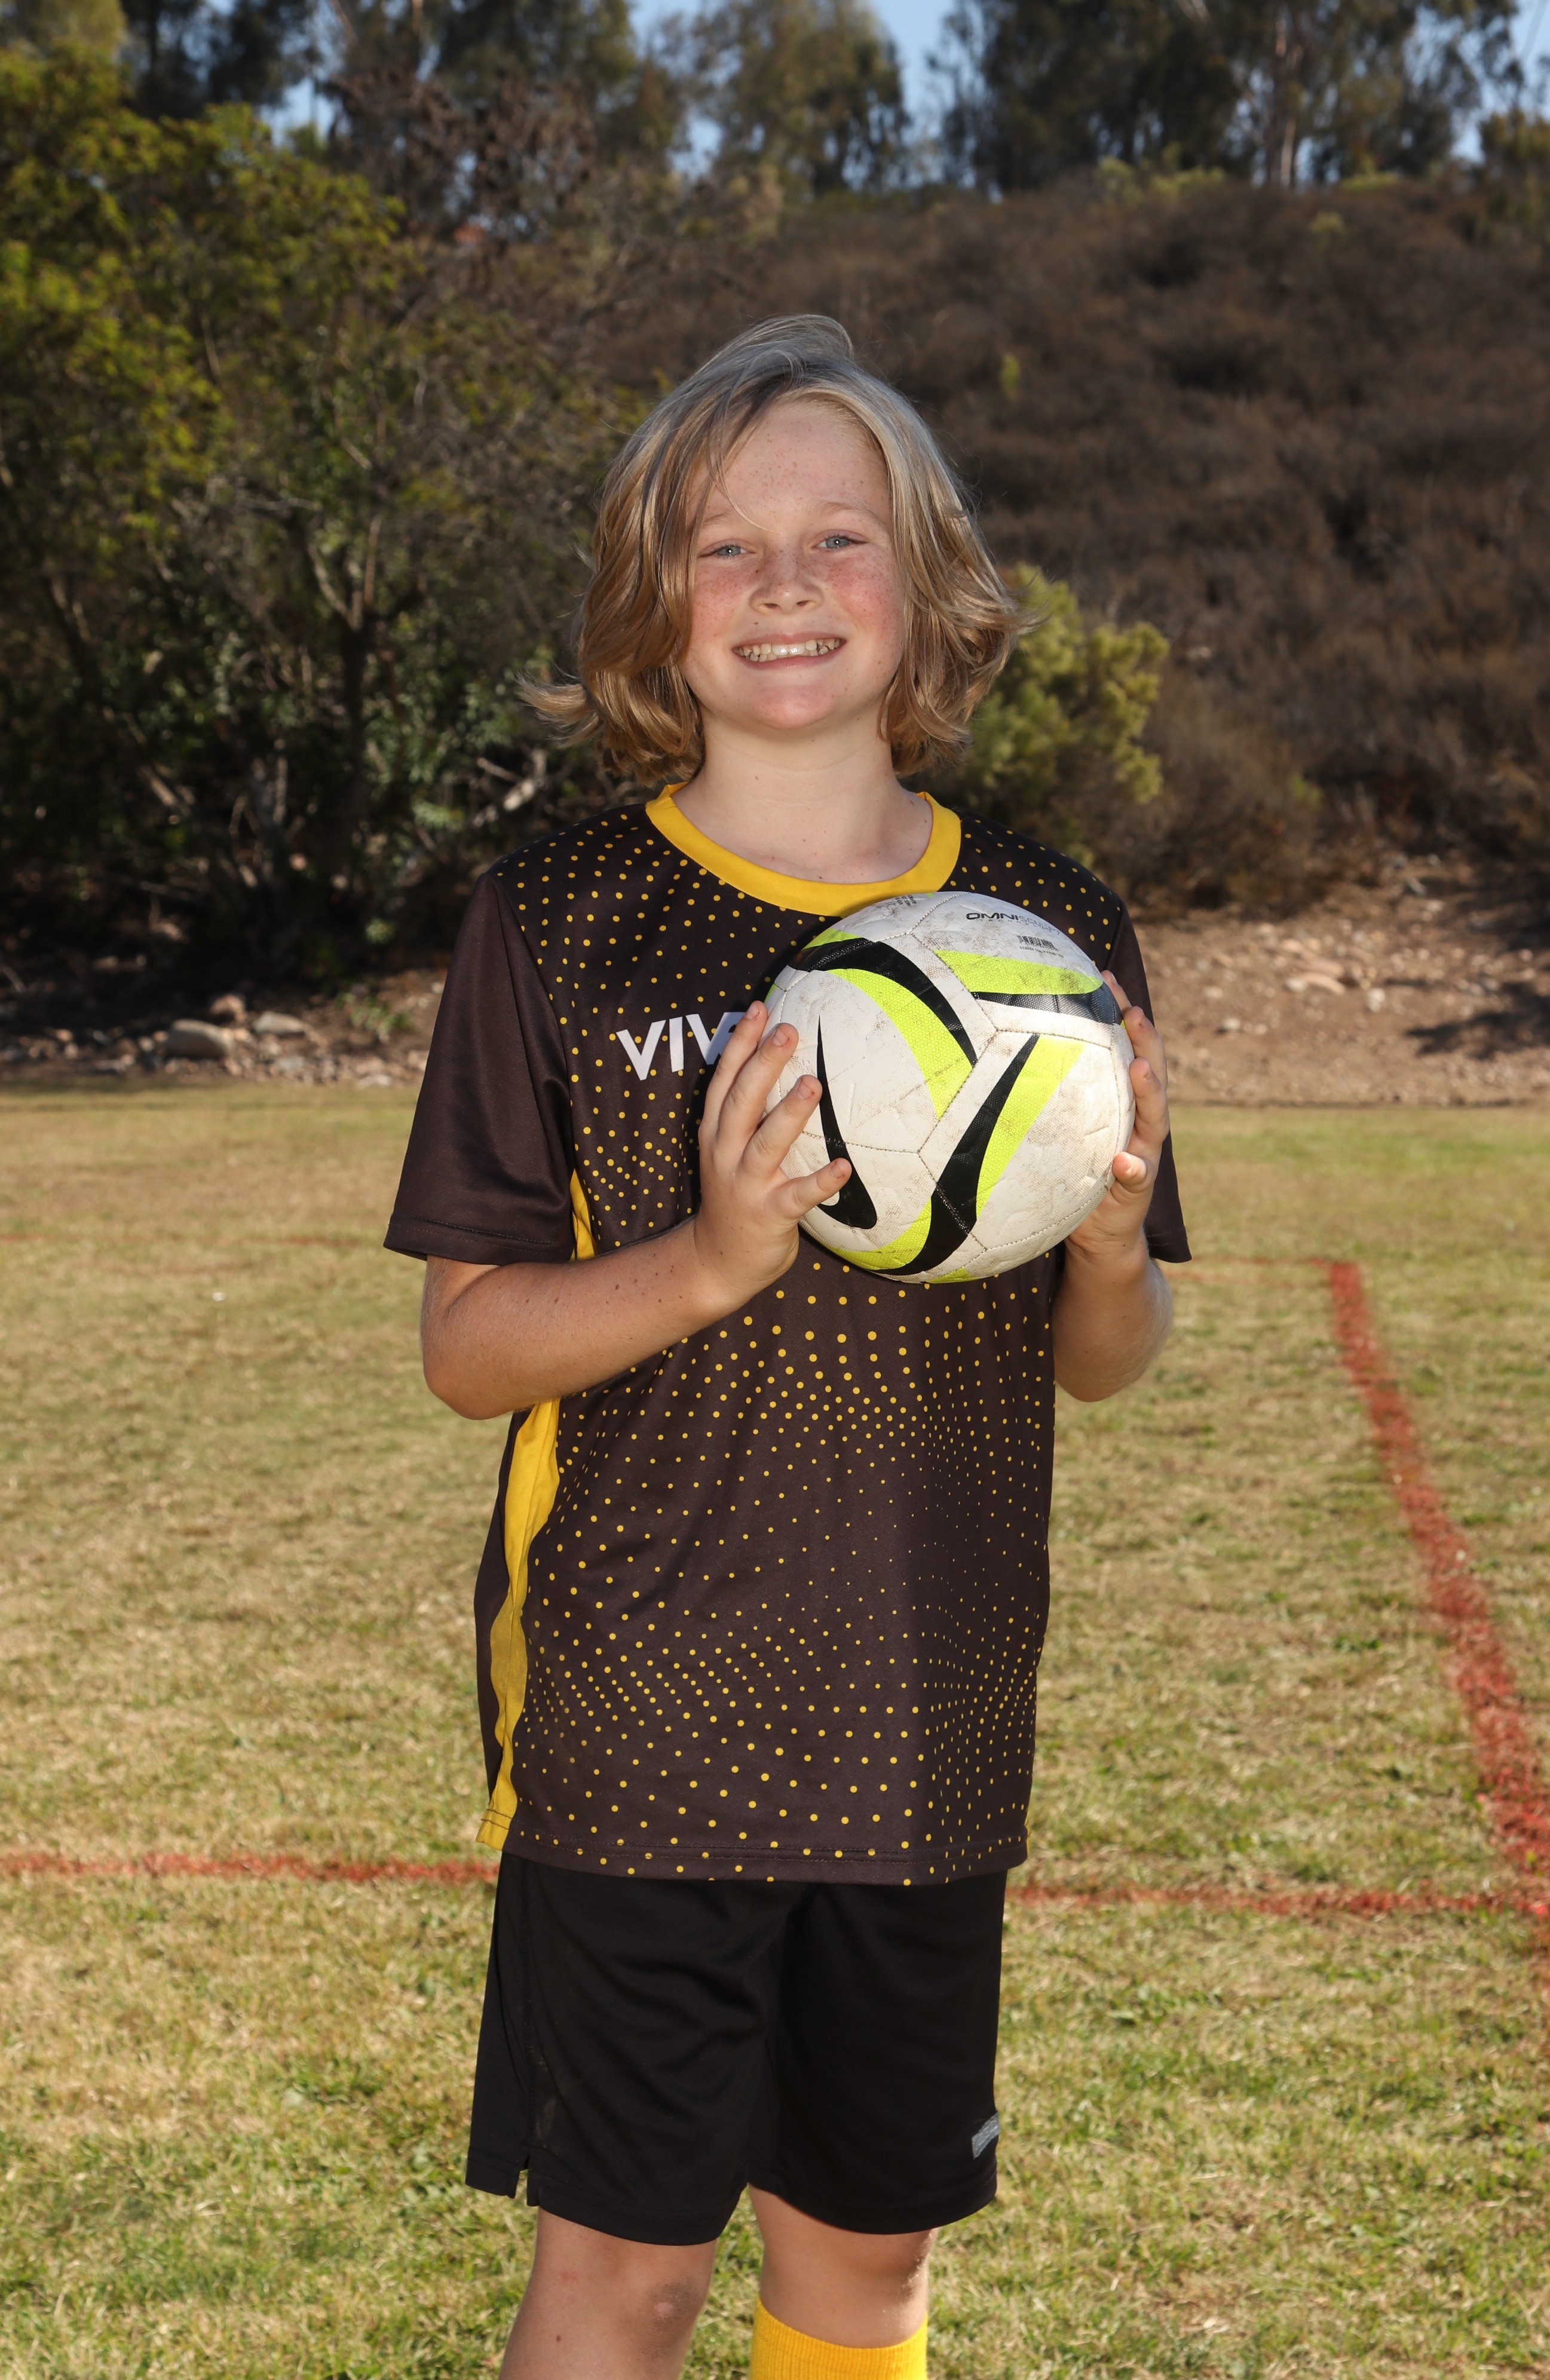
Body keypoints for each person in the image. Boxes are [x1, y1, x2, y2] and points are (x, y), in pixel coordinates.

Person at [385, 315, 1188, 2380]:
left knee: (865, 2272)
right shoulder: (563, 917)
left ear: (929, 581)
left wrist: (1112, 1244)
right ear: (654, 601)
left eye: (840, 537)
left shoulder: (1044, 931)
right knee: (626, 2279)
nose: (785, 586)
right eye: (724, 547)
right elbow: (468, 1348)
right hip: (642, 1720)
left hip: (928, 1713)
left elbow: (1108, 1356)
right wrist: (713, 1257)